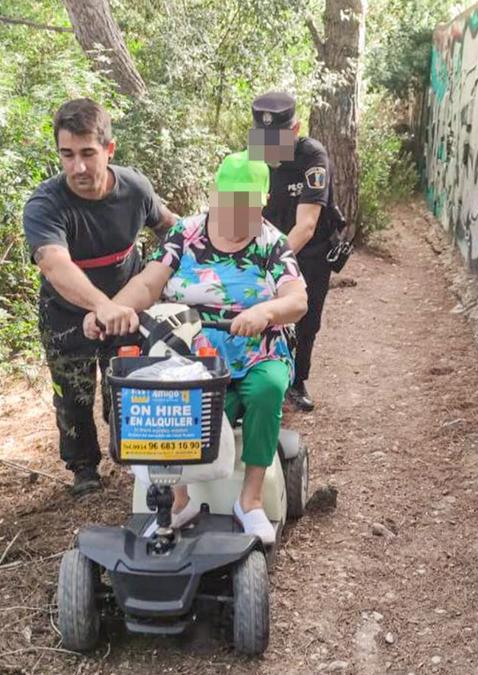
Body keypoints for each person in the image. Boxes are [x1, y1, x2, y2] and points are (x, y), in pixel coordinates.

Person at [86, 151, 308, 544]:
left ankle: (251, 500)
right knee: (169, 400)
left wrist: (265, 311)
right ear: (215, 195)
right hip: (188, 350)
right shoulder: (184, 234)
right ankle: (178, 499)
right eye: (228, 201)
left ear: (261, 204)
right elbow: (148, 284)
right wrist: (112, 309)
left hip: (256, 350)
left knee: (267, 390)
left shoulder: (271, 243)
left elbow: (297, 300)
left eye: (247, 205)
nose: (236, 214)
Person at [22, 97, 178, 497]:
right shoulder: (45, 203)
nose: (78, 167)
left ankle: (132, 453)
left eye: (88, 154)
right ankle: (83, 467)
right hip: (65, 313)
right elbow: (55, 265)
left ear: (109, 149)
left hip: (127, 307)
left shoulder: (135, 188)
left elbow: (171, 229)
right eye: (67, 154)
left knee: (125, 386)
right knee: (72, 394)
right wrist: (100, 306)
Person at [248, 91, 339, 412]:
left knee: (306, 318)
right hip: (264, 248)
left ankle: (298, 381)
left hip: (310, 253)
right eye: (263, 137)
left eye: (277, 138)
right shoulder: (252, 156)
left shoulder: (312, 157)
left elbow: (306, 226)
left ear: (296, 128)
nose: (269, 145)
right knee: (260, 311)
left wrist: (272, 263)